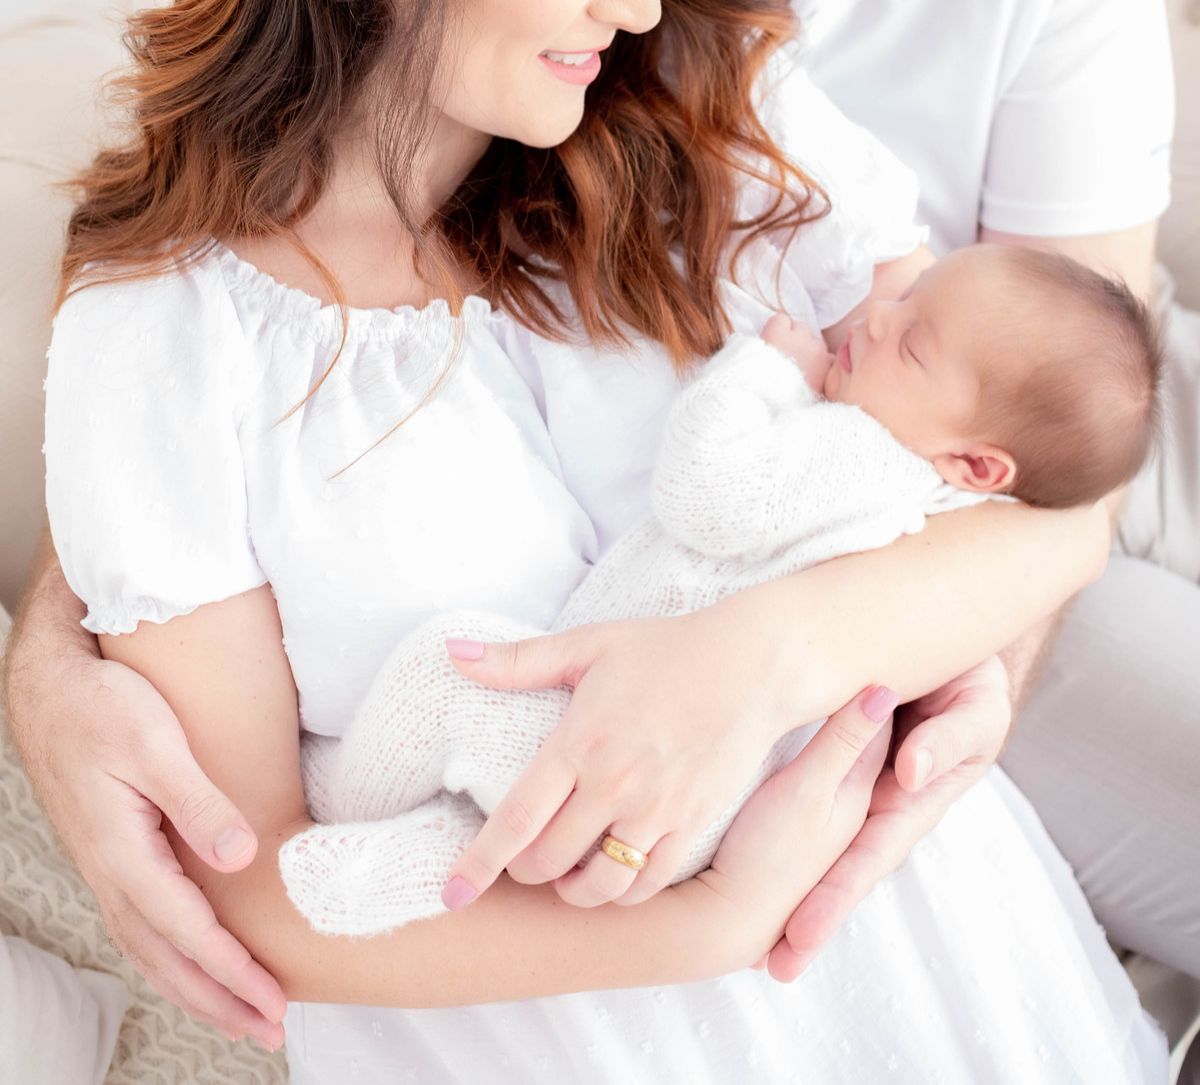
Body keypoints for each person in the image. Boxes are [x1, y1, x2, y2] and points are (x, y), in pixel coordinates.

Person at [0, 0, 1165, 1069]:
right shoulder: (184, 327)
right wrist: (56, 649)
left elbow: (1045, 420)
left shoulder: (716, 104)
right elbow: (258, 863)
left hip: (907, 871)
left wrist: (789, 661)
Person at [277, 242, 1162, 943]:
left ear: (976, 464)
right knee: (501, 802)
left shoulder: (862, 456)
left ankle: (333, 797)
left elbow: (708, 497)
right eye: (908, 299)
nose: (878, 318)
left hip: (649, 753)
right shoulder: (931, 501)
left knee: (449, 671)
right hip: (692, 787)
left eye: (913, 343)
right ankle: (410, 864)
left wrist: (765, 371)